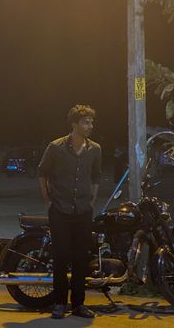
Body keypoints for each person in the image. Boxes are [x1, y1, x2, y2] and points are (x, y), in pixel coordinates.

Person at [38, 104, 101, 319]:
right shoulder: (55, 147)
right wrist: (47, 200)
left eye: (91, 122)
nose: (90, 125)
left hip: (83, 211)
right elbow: (42, 173)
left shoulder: (95, 149)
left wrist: (92, 200)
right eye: (86, 122)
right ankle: (59, 304)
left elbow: (96, 177)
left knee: (81, 259)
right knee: (61, 257)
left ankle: (78, 304)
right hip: (60, 210)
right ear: (74, 124)